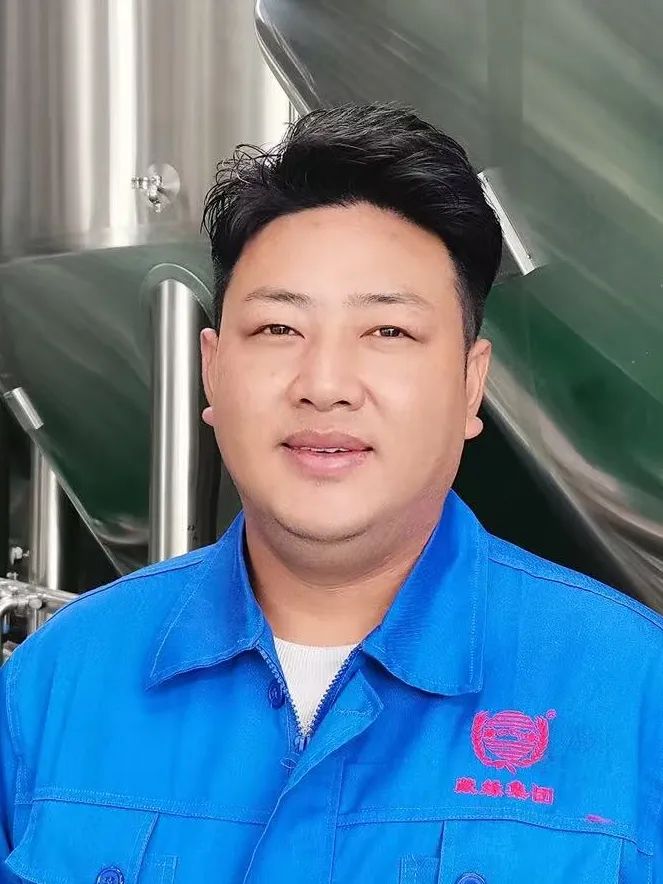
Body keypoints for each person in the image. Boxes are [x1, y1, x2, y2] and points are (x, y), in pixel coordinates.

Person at [1, 103, 661, 884]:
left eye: (387, 332)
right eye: (279, 329)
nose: (323, 384)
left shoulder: (632, 691)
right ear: (212, 371)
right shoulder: (58, 682)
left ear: (469, 384)